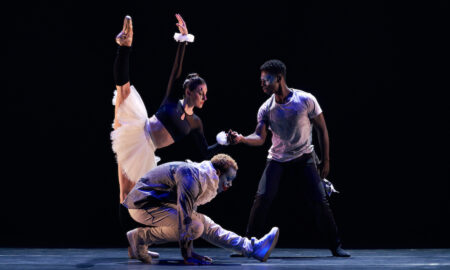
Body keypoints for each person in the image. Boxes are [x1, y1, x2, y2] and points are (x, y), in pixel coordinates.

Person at [112, 14, 229, 258]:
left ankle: (136, 244)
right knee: (123, 91)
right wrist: (183, 41)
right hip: (138, 132)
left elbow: (204, 153)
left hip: (147, 151)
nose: (204, 97)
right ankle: (125, 46)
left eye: (206, 94)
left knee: (134, 199)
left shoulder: (196, 123)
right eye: (201, 92)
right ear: (188, 91)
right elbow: (176, 70)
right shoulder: (172, 101)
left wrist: (226, 141)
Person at [230, 59, 350, 257]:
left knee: (320, 201)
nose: (262, 84)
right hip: (277, 158)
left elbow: (322, 129)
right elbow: (260, 138)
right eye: (261, 80)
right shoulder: (266, 108)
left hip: (304, 157)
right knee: (262, 198)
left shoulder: (305, 100)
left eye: (266, 80)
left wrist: (326, 160)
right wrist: (242, 139)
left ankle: (335, 246)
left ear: (279, 78)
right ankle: (247, 246)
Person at [123, 154, 280, 265]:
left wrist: (190, 251)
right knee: (196, 226)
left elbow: (187, 216)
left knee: (203, 223)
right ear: (217, 173)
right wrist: (187, 255)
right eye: (228, 180)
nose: (229, 185)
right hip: (141, 205)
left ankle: (251, 248)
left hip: (156, 203)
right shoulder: (192, 178)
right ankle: (140, 238)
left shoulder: (201, 178)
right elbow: (185, 219)